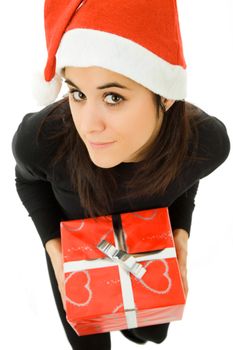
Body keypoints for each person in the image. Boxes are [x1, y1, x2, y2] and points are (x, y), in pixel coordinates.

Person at [12, 1, 230, 349]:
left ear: (165, 96)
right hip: (77, 248)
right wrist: (54, 249)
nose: (87, 125)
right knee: (90, 343)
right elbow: (27, 180)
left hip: (146, 240)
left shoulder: (207, 142)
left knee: (149, 334)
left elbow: (187, 176)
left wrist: (180, 232)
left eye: (113, 96)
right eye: (78, 93)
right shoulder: (42, 142)